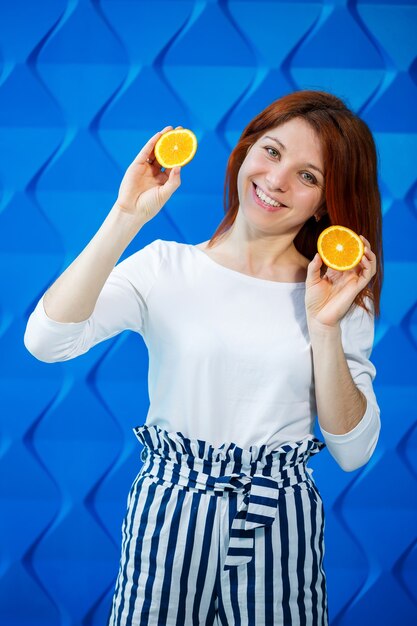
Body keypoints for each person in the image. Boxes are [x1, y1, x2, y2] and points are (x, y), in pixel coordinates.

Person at [24, 90, 382, 626]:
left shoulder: (336, 296)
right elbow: (47, 341)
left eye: (310, 176)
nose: (278, 180)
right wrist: (126, 215)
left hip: (278, 516)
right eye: (272, 151)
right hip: (169, 509)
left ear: (327, 203)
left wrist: (325, 326)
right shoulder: (164, 267)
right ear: (244, 153)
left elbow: (352, 452)